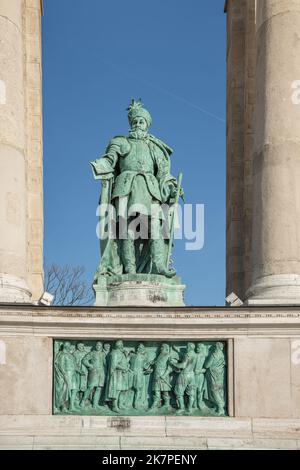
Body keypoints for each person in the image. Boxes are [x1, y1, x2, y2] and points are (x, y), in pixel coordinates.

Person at [90, 99, 183, 279]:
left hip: (151, 189)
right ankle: (130, 269)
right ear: (131, 124)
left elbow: (164, 173)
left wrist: (172, 188)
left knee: (155, 227)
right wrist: (99, 166)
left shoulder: (155, 147)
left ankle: (159, 265)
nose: (138, 124)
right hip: (126, 187)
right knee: (126, 228)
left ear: (147, 125)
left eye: (142, 121)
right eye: (136, 121)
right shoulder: (120, 142)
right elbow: (109, 160)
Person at [171, 342, 197, 413]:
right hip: (191, 375)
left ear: (190, 348)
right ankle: (189, 408)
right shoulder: (195, 355)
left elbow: (183, 365)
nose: (186, 348)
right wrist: (178, 350)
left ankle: (182, 408)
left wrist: (173, 363)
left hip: (184, 375)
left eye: (187, 347)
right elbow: (188, 359)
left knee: (178, 391)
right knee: (191, 392)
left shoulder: (187, 355)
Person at [106, 340, 130, 412]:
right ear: (119, 346)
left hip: (123, 374)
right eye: (121, 345)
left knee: (123, 390)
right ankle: (114, 406)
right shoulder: (114, 353)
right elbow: (114, 365)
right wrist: (124, 368)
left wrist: (127, 356)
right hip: (116, 374)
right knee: (117, 391)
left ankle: (120, 404)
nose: (122, 346)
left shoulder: (121, 353)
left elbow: (124, 362)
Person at [80, 341, 106, 409]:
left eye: (99, 345)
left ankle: (95, 404)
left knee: (98, 388)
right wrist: (90, 365)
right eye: (97, 345)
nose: (98, 346)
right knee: (90, 387)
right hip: (94, 372)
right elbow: (84, 360)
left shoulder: (103, 354)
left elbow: (105, 364)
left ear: (101, 346)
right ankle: (82, 401)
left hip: (101, 372)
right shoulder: (92, 353)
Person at [204, 342, 226, 415]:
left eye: (215, 347)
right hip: (220, 375)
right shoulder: (223, 355)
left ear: (217, 347)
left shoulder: (214, 355)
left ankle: (220, 408)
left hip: (213, 375)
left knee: (214, 391)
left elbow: (207, 365)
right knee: (219, 390)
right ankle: (217, 405)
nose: (214, 348)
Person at [151, 343, 173, 409]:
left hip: (163, 375)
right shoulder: (159, 356)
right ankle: (154, 406)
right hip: (157, 375)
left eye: (162, 347)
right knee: (156, 390)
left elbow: (170, 367)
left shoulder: (168, 355)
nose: (161, 348)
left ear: (166, 348)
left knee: (165, 391)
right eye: (161, 347)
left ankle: (167, 404)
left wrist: (164, 375)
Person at [194, 343, 207, 410]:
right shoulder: (194, 355)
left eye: (198, 348)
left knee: (200, 390)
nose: (197, 349)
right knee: (193, 390)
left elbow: (206, 368)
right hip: (193, 376)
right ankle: (194, 404)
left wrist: (200, 371)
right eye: (196, 347)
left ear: (202, 349)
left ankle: (199, 403)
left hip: (200, 376)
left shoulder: (204, 357)